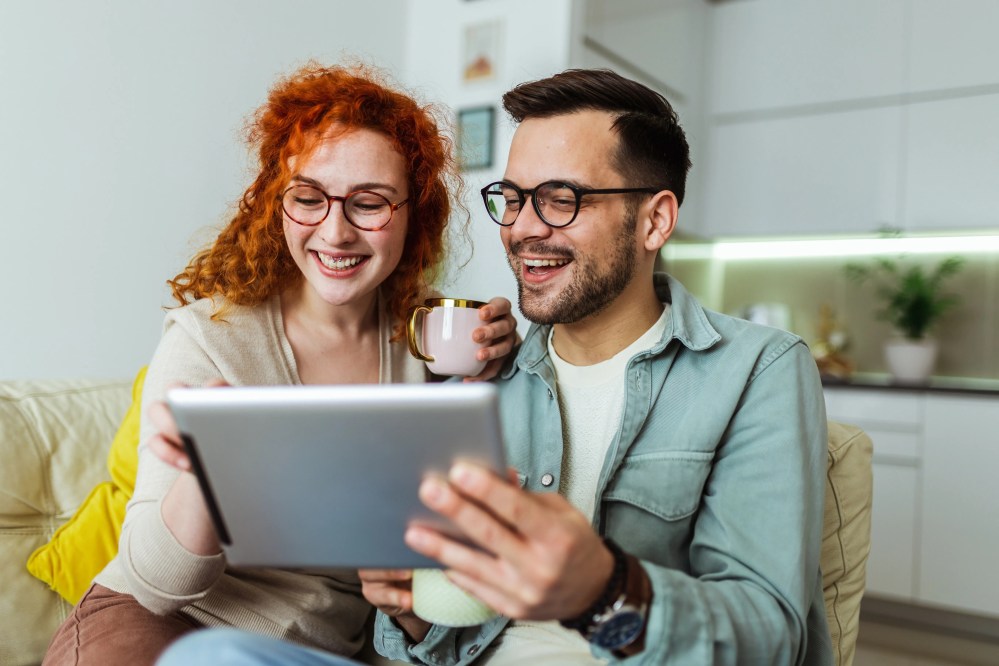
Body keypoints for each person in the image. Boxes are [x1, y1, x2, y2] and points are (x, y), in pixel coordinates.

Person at [157, 67, 832, 665]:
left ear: (654, 221)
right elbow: (431, 640)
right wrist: (410, 611)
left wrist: (602, 591)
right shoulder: (479, 377)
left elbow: (771, 637)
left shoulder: (755, 370)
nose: (522, 228)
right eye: (513, 197)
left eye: (560, 198)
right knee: (211, 656)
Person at [41, 62, 517, 666]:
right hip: (165, 624)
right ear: (278, 203)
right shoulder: (208, 339)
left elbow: (432, 587)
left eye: (368, 203)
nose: (336, 232)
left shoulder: (426, 343)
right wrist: (205, 473)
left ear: (414, 213)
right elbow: (157, 585)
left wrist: (499, 354)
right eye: (309, 199)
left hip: (318, 651)